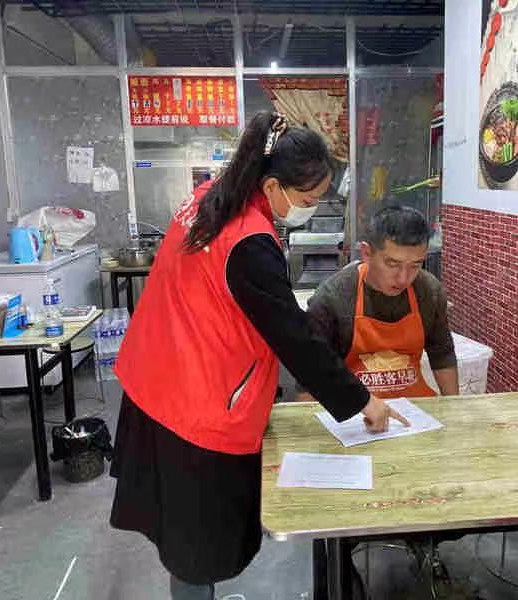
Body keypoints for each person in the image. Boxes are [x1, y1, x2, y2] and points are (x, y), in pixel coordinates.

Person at [109, 111, 408, 600]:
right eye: (307, 201)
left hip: (156, 380)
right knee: (195, 542)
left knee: (179, 530)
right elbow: (293, 337)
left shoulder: (209, 198)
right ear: (271, 186)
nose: (311, 208)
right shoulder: (249, 242)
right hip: (197, 404)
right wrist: (362, 401)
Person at [296, 204, 458, 594]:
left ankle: (424, 542)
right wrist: (314, 451)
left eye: (416, 265)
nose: (403, 278)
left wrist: (456, 414)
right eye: (393, 264)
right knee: (339, 522)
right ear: (367, 253)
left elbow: (441, 352)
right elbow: (309, 382)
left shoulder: (428, 291)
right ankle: (338, 567)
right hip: (355, 425)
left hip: (414, 420)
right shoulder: (332, 299)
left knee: (443, 502)